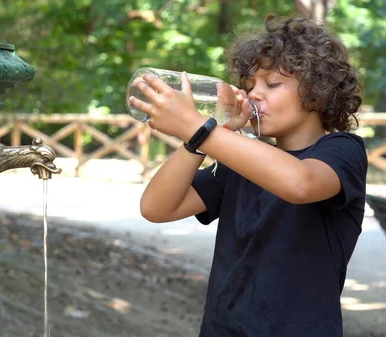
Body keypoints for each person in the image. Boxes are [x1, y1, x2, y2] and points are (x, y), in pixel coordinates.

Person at [130, 14, 367, 337]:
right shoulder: (238, 162)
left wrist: (201, 129)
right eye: (249, 85)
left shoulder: (342, 150)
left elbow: (300, 183)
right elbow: (156, 208)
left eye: (272, 84)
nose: (254, 94)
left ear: (318, 91)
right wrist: (197, 140)